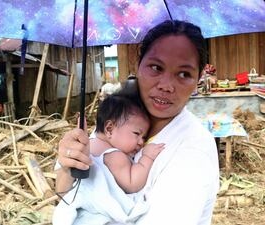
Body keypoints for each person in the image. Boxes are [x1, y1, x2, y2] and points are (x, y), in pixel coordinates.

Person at [55, 20, 220, 225]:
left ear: (199, 79)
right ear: (138, 64)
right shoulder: (123, 118)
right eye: (156, 67)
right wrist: (67, 164)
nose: (166, 86)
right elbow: (63, 192)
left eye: (184, 74)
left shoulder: (193, 149)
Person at [53, 92, 164, 224]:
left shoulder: (88, 144)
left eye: (144, 138)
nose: (141, 142)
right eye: (137, 134)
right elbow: (133, 184)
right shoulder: (114, 156)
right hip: (97, 215)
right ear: (109, 129)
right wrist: (147, 157)